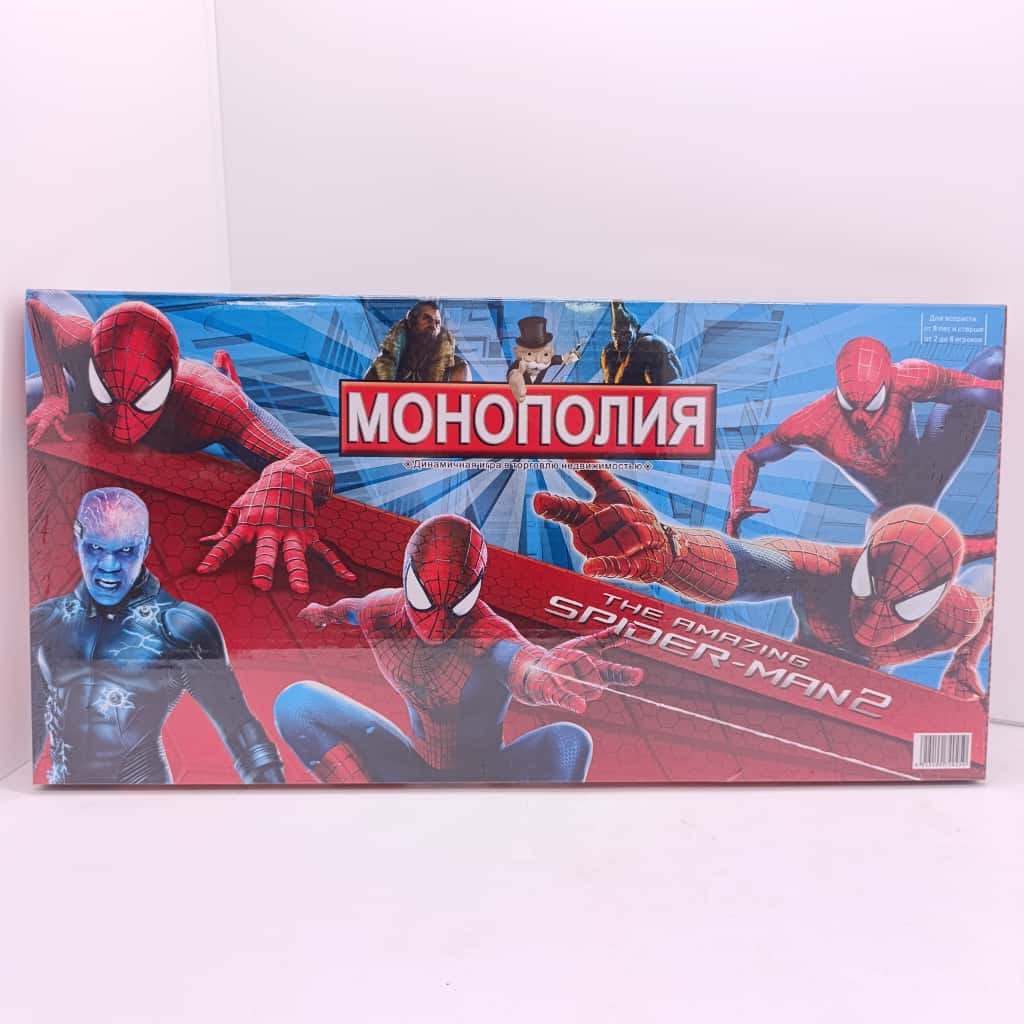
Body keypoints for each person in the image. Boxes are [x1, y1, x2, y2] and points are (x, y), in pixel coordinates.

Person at [534, 470, 993, 701]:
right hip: (802, 670)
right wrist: (673, 550)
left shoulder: (960, 615)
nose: (874, 618)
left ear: (934, 600)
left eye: (904, 606)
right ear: (863, 564)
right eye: (868, 587)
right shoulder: (829, 569)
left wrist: (964, 664)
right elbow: (753, 564)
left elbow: (990, 604)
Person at [25, 291, 354, 594]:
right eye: (110, 395)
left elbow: (311, 465)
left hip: (203, 399)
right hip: (85, 386)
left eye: (145, 400)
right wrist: (55, 395)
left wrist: (282, 486)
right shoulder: (80, 346)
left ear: (168, 381)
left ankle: (214, 371)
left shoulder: (213, 403)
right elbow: (39, 306)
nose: (122, 426)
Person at [274, 514, 643, 783]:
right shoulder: (382, 610)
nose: (437, 622)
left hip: (488, 778)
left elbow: (517, 660)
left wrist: (545, 672)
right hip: (415, 772)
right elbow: (351, 610)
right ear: (407, 577)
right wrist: (323, 613)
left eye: (456, 604)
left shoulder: (483, 633)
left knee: (569, 741)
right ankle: (376, 817)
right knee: (296, 702)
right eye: (424, 599)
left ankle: (530, 845)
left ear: (473, 591)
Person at [31, 488, 286, 784]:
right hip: (63, 798)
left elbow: (240, 729)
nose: (109, 566)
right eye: (96, 548)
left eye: (126, 551)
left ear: (145, 548)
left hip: (147, 796)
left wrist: (280, 803)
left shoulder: (179, 627)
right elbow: (27, 727)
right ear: (77, 542)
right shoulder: (44, 622)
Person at [726, 336, 1003, 536]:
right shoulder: (814, 422)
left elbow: (977, 386)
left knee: (994, 359)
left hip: (928, 467)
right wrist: (739, 502)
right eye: (850, 406)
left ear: (887, 382)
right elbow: (751, 457)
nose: (861, 419)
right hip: (895, 506)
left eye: (871, 406)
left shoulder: (909, 376)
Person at [364, 300, 470, 383]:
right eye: (427, 319)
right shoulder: (382, 366)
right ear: (410, 322)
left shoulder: (456, 367)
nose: (433, 326)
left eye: (437, 323)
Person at [601, 301, 682, 386]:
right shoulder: (609, 352)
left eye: (626, 334)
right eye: (615, 335)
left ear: (637, 329)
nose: (620, 340)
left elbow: (671, 387)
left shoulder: (650, 344)